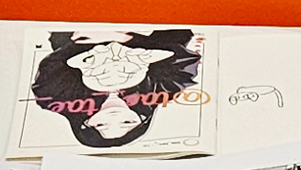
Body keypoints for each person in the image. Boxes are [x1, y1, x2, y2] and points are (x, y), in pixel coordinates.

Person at [27, 29, 201, 149]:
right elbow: (183, 61)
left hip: (80, 29)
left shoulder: (55, 99)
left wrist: (95, 41)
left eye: (101, 124)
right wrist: (127, 39)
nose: (114, 117)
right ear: (142, 119)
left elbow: (53, 66)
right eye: (127, 122)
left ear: (85, 123)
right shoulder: (159, 93)